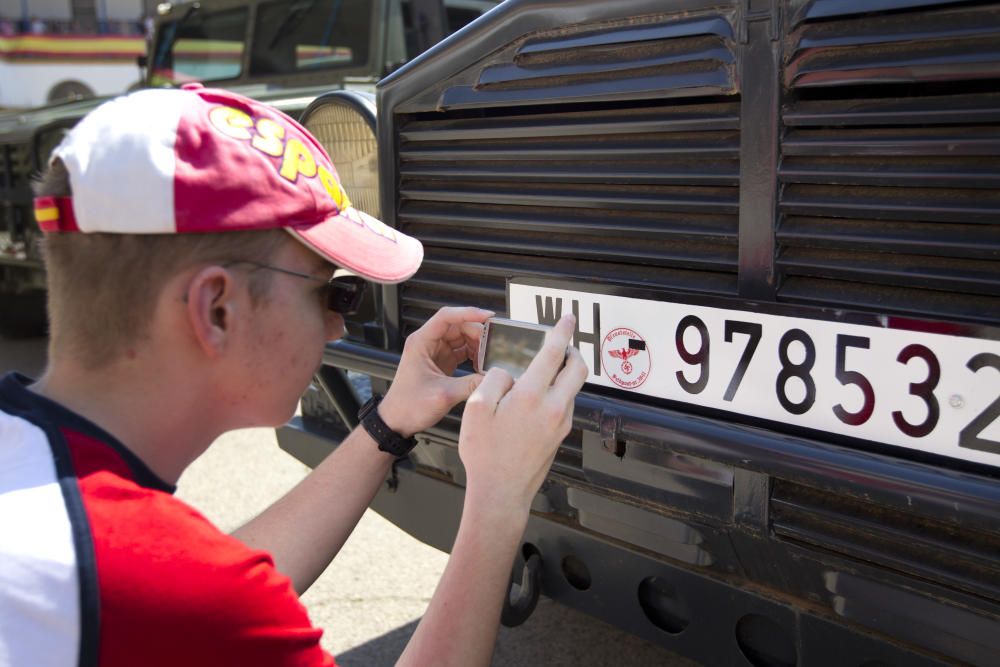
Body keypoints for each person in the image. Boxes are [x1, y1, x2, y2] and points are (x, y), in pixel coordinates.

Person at [0, 84, 587, 666]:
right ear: (217, 310)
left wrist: (388, 423)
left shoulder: (58, 513)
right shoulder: (160, 594)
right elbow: (199, 599)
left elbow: (198, 583)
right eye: (333, 293)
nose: (335, 327)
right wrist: (499, 499)